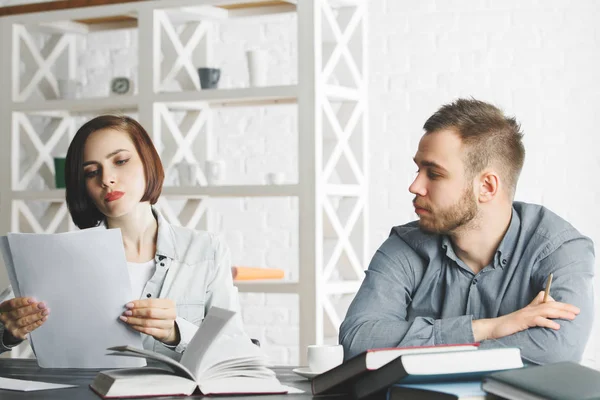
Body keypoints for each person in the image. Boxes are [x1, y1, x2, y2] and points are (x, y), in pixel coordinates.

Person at [339, 99, 595, 365]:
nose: (415, 186)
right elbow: (358, 340)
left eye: (434, 174)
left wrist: (419, 353)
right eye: (418, 170)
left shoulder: (559, 248)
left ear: (486, 186)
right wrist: (488, 328)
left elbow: (555, 354)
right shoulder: (405, 246)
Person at [0, 115, 242, 360]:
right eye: (92, 172)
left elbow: (237, 351)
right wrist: (7, 332)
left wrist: (175, 332)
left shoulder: (206, 250)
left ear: (148, 162)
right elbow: (7, 323)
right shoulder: (60, 255)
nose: (106, 179)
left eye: (121, 161)